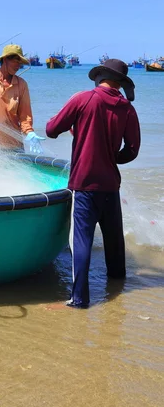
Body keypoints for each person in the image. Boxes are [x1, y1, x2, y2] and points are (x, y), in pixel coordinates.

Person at [46, 58, 141, 308]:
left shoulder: (83, 99)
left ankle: (79, 299)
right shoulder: (127, 108)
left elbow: (52, 129)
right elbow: (132, 150)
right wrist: (111, 157)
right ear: (120, 83)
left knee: (81, 240)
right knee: (113, 238)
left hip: (84, 183)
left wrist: (73, 128)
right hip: (110, 183)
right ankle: (117, 282)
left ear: (100, 78)